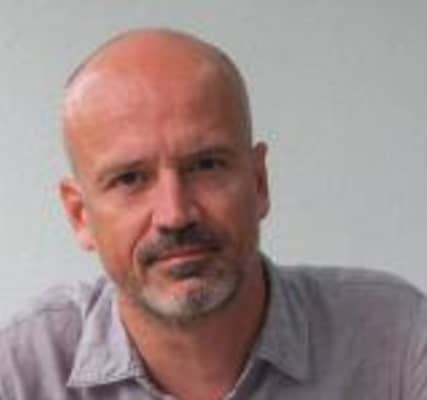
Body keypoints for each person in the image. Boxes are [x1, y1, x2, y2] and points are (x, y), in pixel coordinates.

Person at [1, 28, 426, 400]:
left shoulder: (395, 339)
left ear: (258, 183)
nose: (175, 215)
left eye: (206, 165)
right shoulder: (21, 374)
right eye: (130, 179)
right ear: (80, 215)